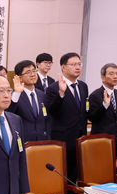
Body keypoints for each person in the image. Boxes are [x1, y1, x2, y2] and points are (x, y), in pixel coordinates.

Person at [44, 52, 88, 182]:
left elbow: (83, 111)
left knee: (76, 174)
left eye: (79, 64)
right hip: (63, 138)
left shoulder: (83, 86)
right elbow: (51, 110)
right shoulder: (53, 88)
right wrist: (61, 94)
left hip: (80, 137)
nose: (77, 67)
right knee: (62, 176)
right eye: (73, 64)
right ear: (63, 67)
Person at [7, 60, 50, 142]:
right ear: (19, 77)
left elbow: (46, 119)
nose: (33, 74)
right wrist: (17, 93)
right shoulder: (14, 95)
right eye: (28, 72)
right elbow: (9, 113)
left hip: (41, 141)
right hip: (23, 141)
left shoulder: (42, 94)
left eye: (34, 71)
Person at [88, 63, 117, 151]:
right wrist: (105, 105)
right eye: (111, 74)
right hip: (102, 140)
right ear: (103, 77)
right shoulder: (95, 95)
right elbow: (92, 118)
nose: (115, 76)